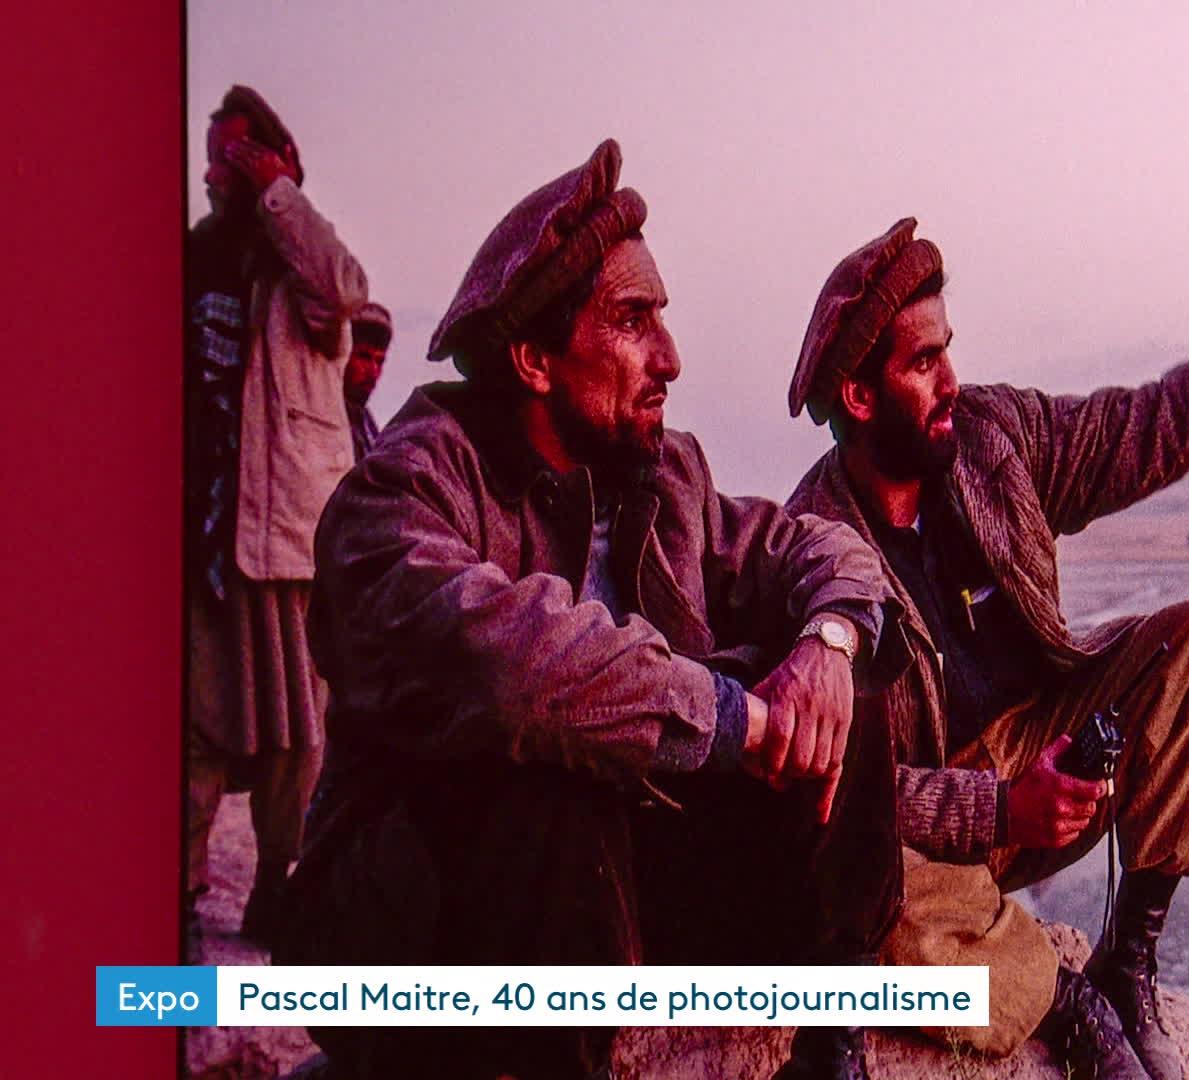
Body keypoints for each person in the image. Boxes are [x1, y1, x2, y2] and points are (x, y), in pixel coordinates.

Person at [281, 139, 903, 1080]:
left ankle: (824, 1040)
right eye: (632, 321)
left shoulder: (664, 476)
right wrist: (735, 716)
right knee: (551, 774)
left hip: (608, 902)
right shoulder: (402, 492)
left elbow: (816, 548)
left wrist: (828, 643)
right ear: (533, 358)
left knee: (841, 701)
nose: (671, 358)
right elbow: (513, 672)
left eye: (664, 318)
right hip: (409, 925)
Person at [785, 213, 1189, 1077]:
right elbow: (844, 793)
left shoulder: (993, 440)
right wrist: (1000, 807)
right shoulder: (812, 551)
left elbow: (1156, 423)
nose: (951, 380)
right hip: (935, 829)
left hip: (1052, 760)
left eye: (948, 350)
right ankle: (1054, 991)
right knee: (882, 927)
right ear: (859, 398)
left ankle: (1127, 962)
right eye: (923, 362)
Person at [184, 84, 368, 952]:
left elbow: (344, 292)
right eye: (214, 155)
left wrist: (279, 193)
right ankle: (179, 886)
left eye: (235, 156)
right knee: (193, 723)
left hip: (286, 532)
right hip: (202, 529)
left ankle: (275, 888)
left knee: (296, 733)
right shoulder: (197, 255)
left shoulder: (302, 271)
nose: (216, 172)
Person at [344, 301, 392, 460]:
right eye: (364, 357)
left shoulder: (368, 426)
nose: (373, 371)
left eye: (380, 361)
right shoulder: (325, 416)